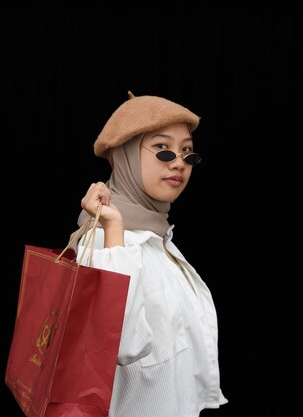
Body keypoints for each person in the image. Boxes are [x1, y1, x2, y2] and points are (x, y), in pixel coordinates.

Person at [74, 91, 228, 417]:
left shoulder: (156, 236)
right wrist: (114, 229)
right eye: (162, 148)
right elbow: (123, 345)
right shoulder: (103, 242)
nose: (179, 162)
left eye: (187, 151)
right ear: (125, 154)